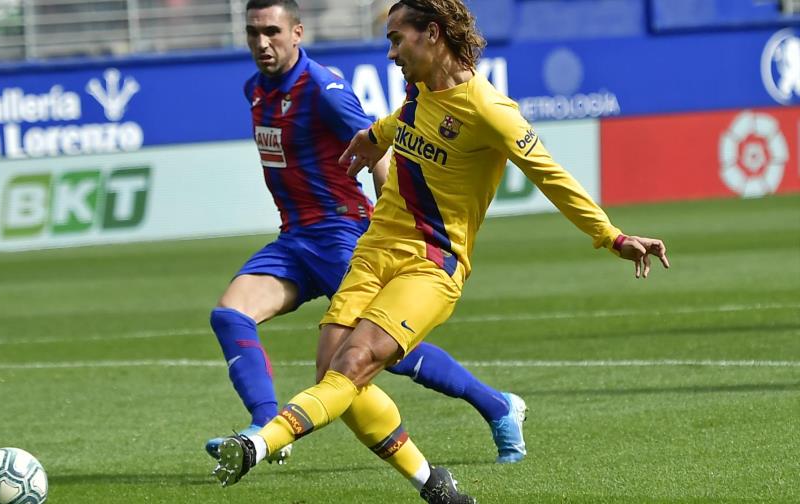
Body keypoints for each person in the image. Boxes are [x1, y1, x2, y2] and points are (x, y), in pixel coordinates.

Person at [212, 0, 671, 501]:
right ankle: (435, 485)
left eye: (395, 39)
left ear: (431, 34)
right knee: (332, 375)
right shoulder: (419, 88)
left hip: (430, 262)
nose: (389, 53)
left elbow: (551, 175)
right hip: (373, 249)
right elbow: (406, 122)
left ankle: (257, 442)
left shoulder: (489, 109)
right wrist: (372, 136)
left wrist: (613, 236)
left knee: (357, 362)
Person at [205, 0, 530, 468]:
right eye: (253, 32)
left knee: (378, 352)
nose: (262, 42)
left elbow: (380, 150)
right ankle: (265, 425)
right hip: (295, 240)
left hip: (343, 233)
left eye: (272, 31)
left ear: (297, 33)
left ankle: (497, 405)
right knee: (230, 315)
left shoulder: (324, 89)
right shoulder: (255, 88)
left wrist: (390, 224)